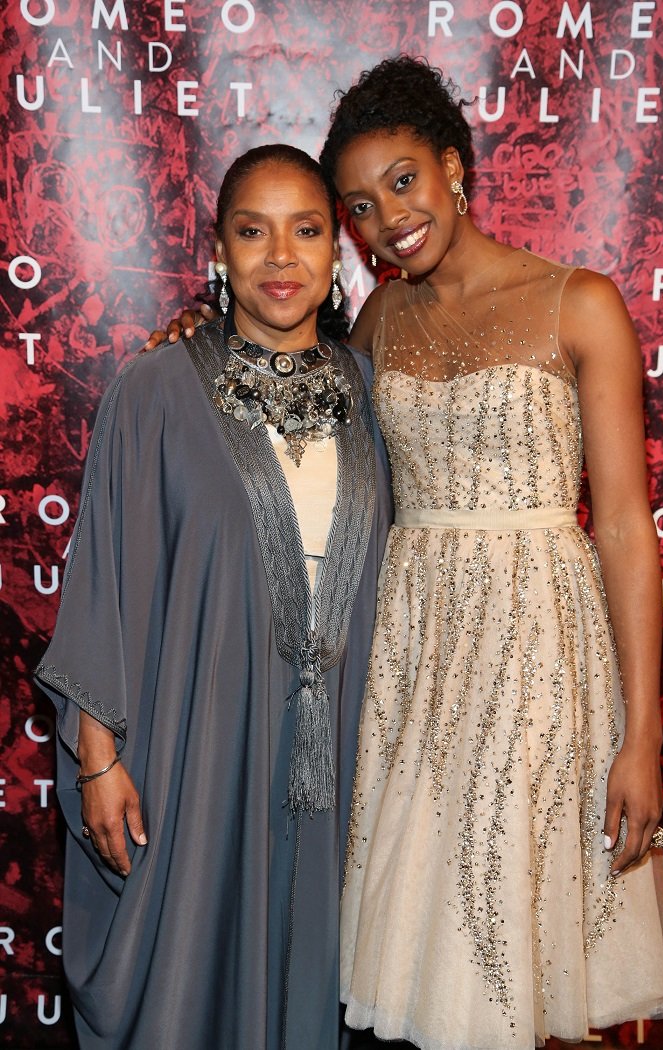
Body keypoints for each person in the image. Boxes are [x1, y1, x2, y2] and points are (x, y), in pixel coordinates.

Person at [148, 56, 663, 1050]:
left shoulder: (580, 301)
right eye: (356, 205)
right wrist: (202, 336)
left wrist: (640, 737)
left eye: (402, 181)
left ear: (454, 167)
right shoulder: (381, 320)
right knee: (434, 977)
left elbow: (621, 528)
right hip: (417, 667)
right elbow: (284, 382)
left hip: (542, 663)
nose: (386, 217)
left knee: (531, 963)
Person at [35, 144, 392, 1050]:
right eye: (253, 232)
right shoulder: (153, 392)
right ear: (218, 254)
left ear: (339, 251)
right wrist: (98, 758)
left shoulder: (378, 397)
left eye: (306, 230)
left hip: (347, 763)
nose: (281, 257)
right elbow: (104, 577)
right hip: (197, 756)